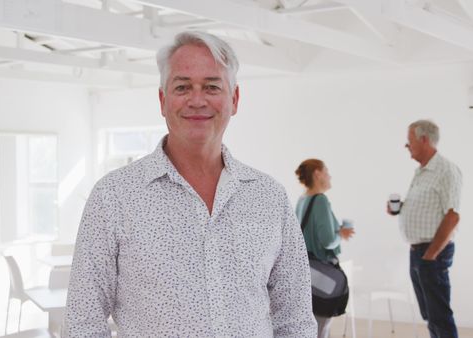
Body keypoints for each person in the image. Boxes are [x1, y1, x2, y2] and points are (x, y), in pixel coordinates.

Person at [64, 31, 317, 337]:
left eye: (212, 87)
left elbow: (296, 318)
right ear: (163, 99)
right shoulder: (114, 196)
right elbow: (83, 321)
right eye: (183, 87)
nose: (197, 100)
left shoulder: (269, 197)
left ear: (234, 99)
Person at [388, 119, 462, 338]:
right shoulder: (422, 171)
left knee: (439, 314)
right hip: (419, 252)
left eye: (409, 141)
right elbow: (427, 207)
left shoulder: (446, 170)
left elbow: (452, 215)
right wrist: (399, 209)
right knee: (430, 314)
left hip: (432, 252)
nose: (406, 145)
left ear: (424, 140)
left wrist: (430, 255)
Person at [294, 159, 354, 338]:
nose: (330, 176)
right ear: (317, 173)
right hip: (321, 273)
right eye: (327, 171)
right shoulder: (320, 200)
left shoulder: (302, 199)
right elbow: (328, 241)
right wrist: (341, 235)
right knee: (321, 327)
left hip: (305, 271)